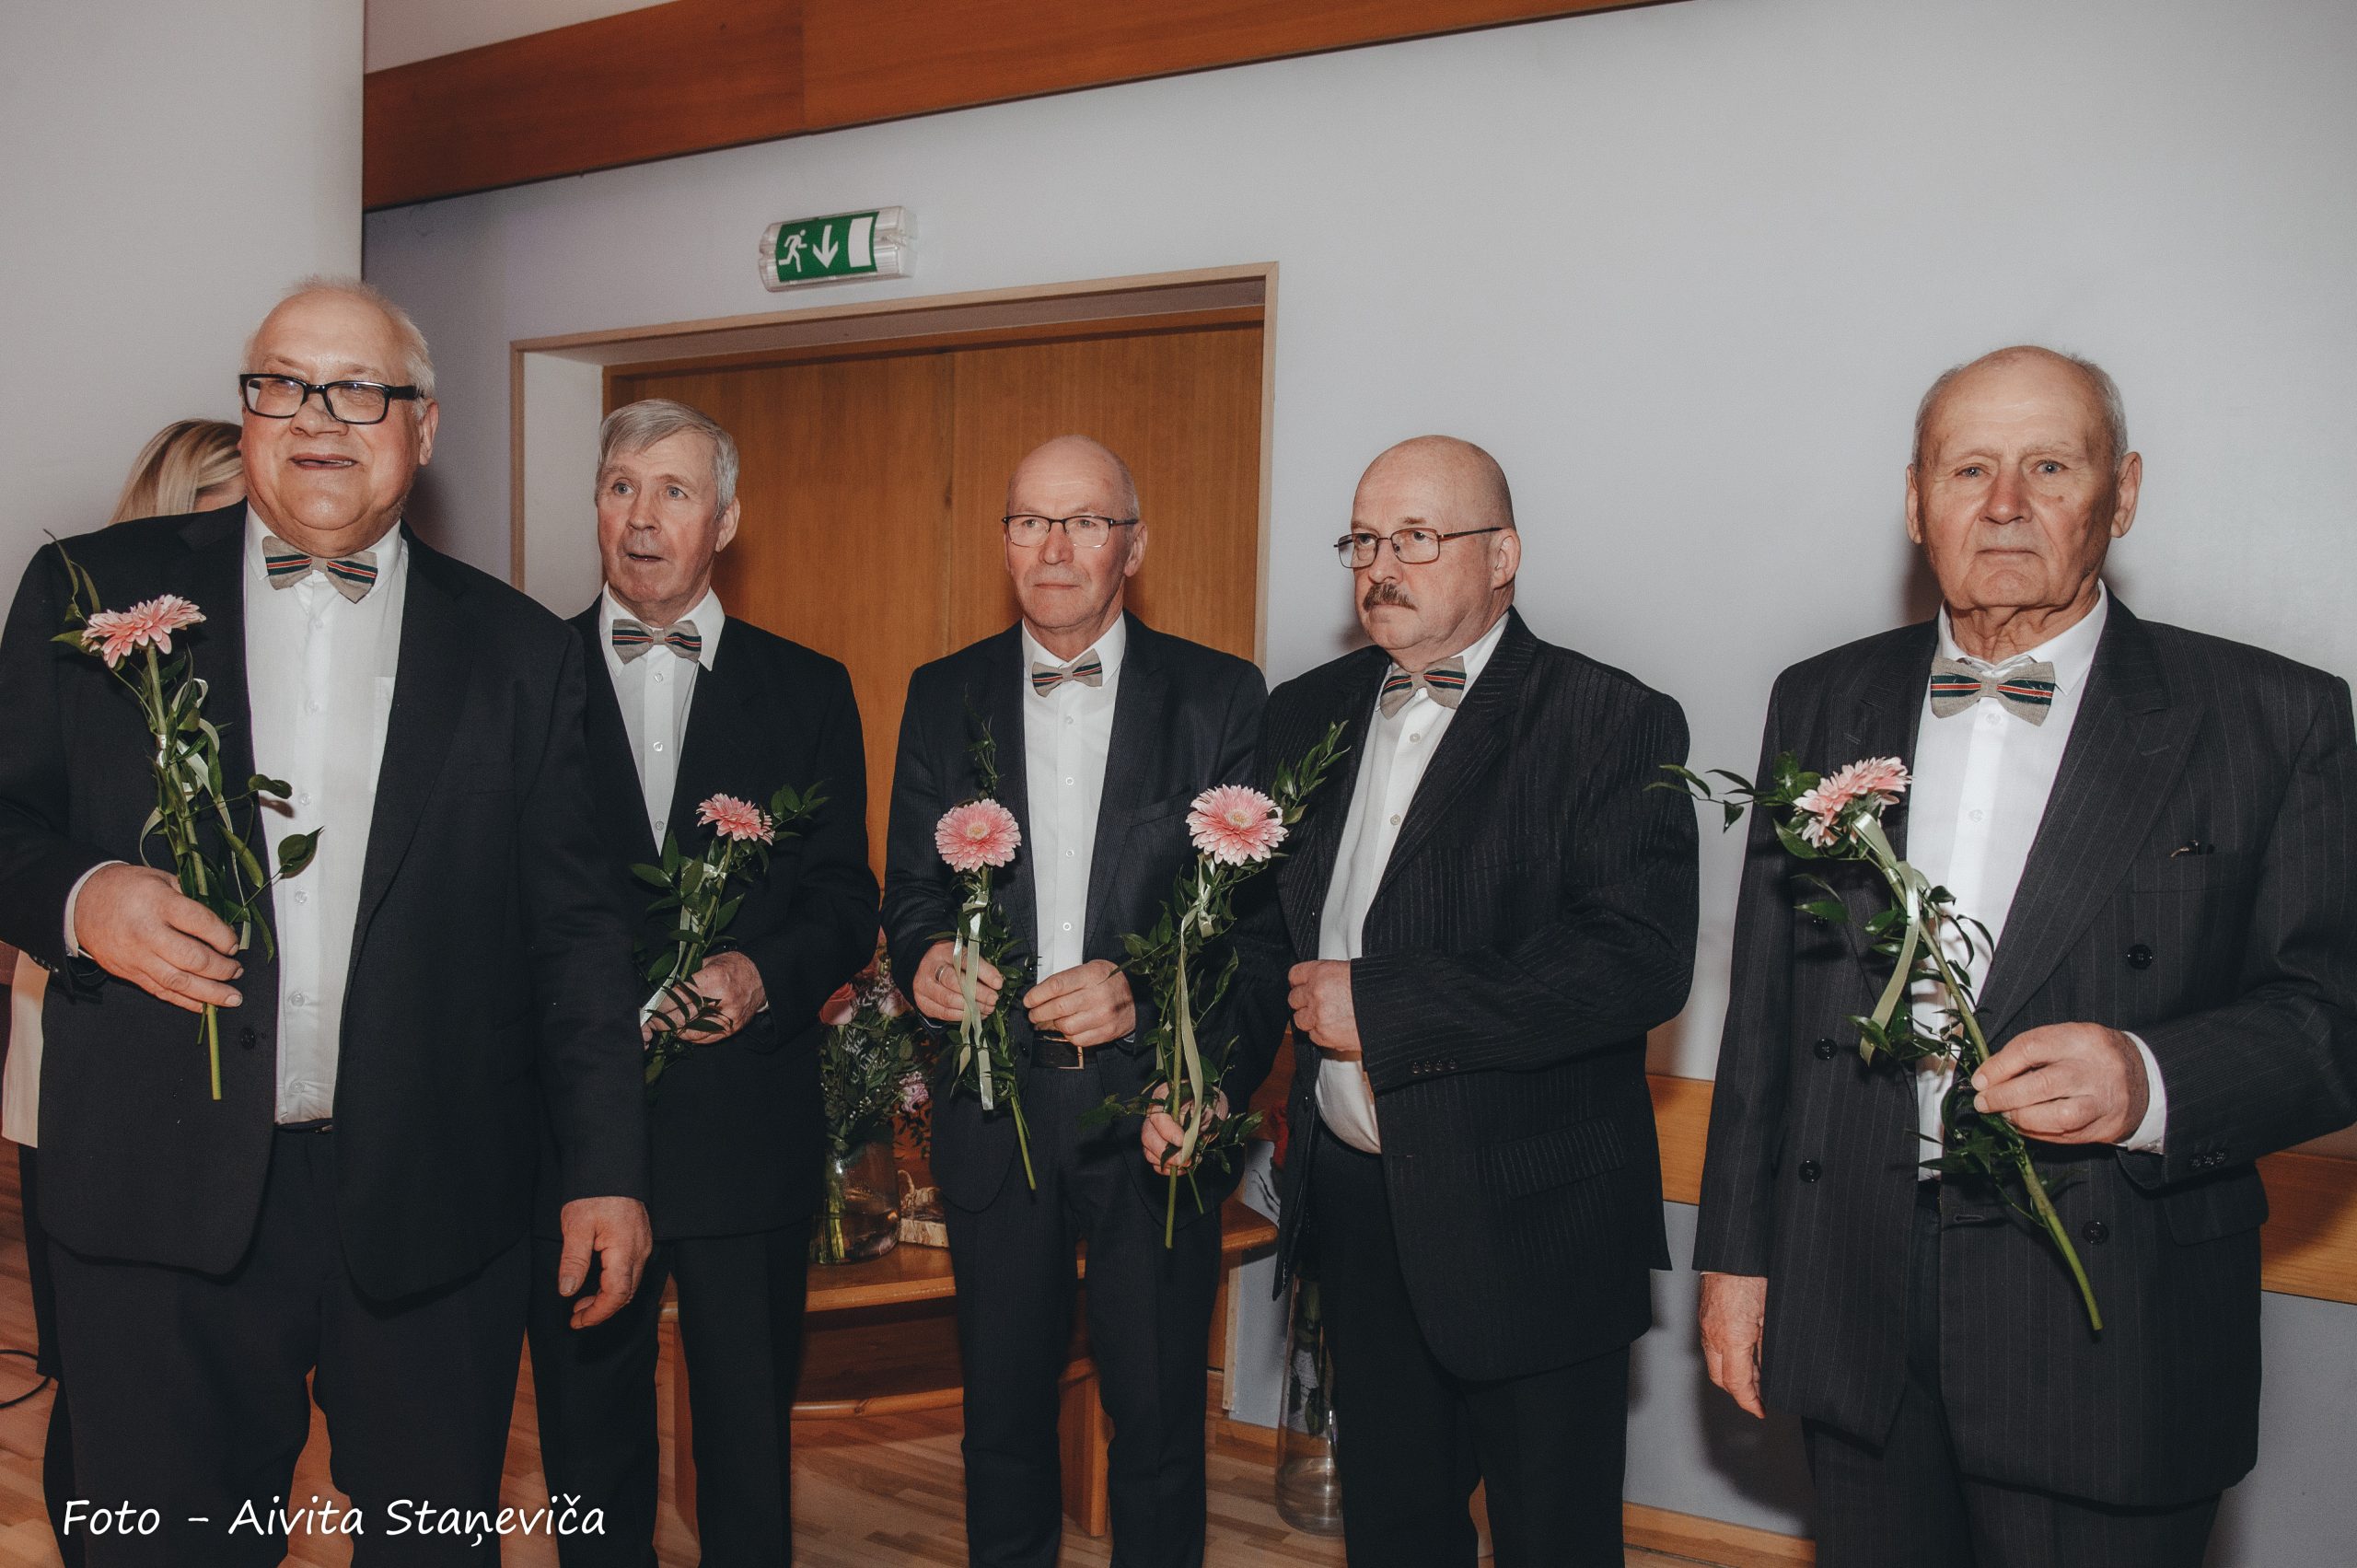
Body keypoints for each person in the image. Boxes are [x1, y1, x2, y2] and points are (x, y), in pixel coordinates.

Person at [0, 277, 652, 1567]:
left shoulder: (523, 653)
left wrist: (607, 1166)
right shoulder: (90, 590)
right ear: (247, 412)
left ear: (424, 426)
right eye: (282, 384)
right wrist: (84, 898)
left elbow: (577, 936)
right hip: (157, 1197)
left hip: (433, 1201)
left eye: (358, 389)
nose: (315, 416)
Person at [1693, 346, 2357, 1568]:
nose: (2004, 504)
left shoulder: (2272, 715)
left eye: (2049, 466)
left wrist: (2148, 1077)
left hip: (2109, 1324)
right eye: (1969, 470)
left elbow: (2330, 1018)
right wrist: (1736, 1258)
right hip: (1858, 1298)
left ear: (2122, 492)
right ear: (1917, 503)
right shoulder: (1821, 698)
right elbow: (1768, 1017)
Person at [1223, 436, 1700, 1567]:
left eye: (1417, 537)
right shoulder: (1304, 713)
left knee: (1552, 1539)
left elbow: (1634, 962)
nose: (1380, 566)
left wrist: (1388, 1006)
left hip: (1532, 1214)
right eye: (1363, 540)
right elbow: (1258, 937)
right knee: (1393, 1531)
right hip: (1358, 1207)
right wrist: (1203, 1081)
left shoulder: (1610, 717)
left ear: (1503, 556)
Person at [882, 435, 1266, 1568]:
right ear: (1003, 543)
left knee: (1156, 1422)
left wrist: (1140, 995)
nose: (1053, 547)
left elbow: (1250, 929)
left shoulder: (1218, 695)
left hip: (1151, 1110)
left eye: (1085, 521)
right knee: (1000, 1419)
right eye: (1028, 522)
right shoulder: (941, 692)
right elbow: (909, 888)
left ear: (1131, 548)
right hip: (993, 1107)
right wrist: (922, 959)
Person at [525, 398, 877, 1565]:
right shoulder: (523, 676)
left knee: (744, 1448)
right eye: (621, 486)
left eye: (674, 491)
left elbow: (846, 899)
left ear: (724, 521)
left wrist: (763, 973)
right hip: (573, 1140)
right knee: (588, 1448)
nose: (642, 515)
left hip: (743, 1128)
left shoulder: (808, 687)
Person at [4, 414, 247, 1568]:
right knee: (95, 1373)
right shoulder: (78, 649)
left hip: (217, 1079)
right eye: (220, 511)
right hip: (81, 1055)